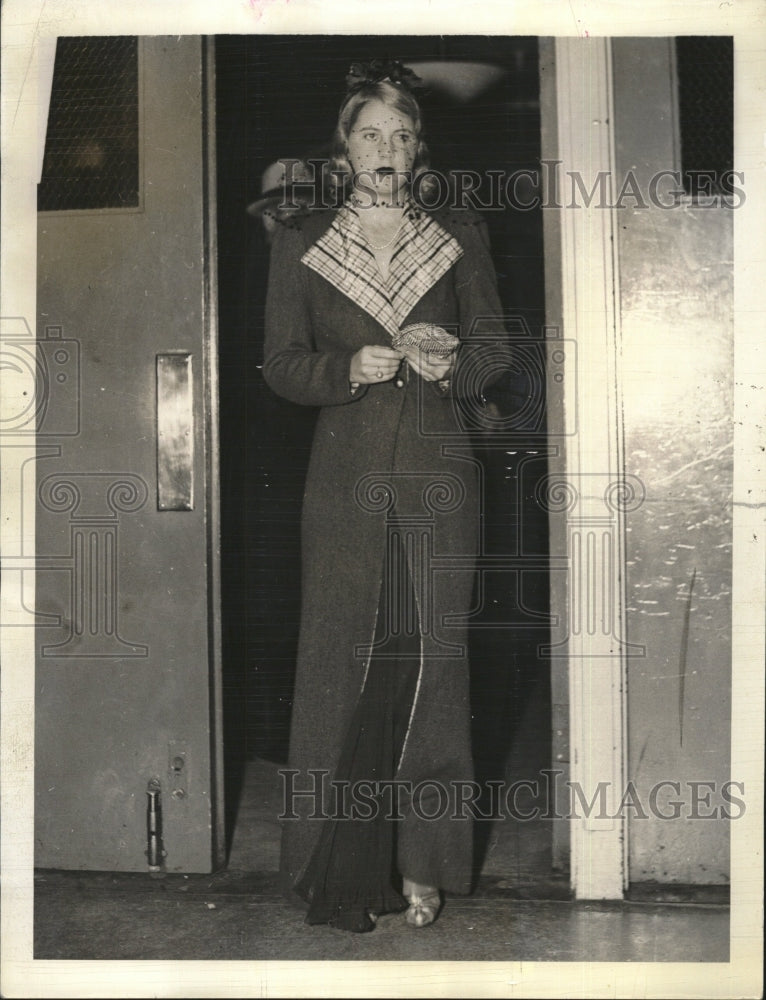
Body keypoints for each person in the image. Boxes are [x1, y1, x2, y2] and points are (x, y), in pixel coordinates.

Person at [263, 59, 511, 933]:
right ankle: (326, 863)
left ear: (418, 150)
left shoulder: (457, 230)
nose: (388, 148)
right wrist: (347, 368)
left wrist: (451, 358)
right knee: (341, 664)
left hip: (441, 473)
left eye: (404, 136)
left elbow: (494, 352)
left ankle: (425, 864)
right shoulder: (300, 238)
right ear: (344, 145)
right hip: (342, 482)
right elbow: (283, 365)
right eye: (372, 132)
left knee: (430, 666)